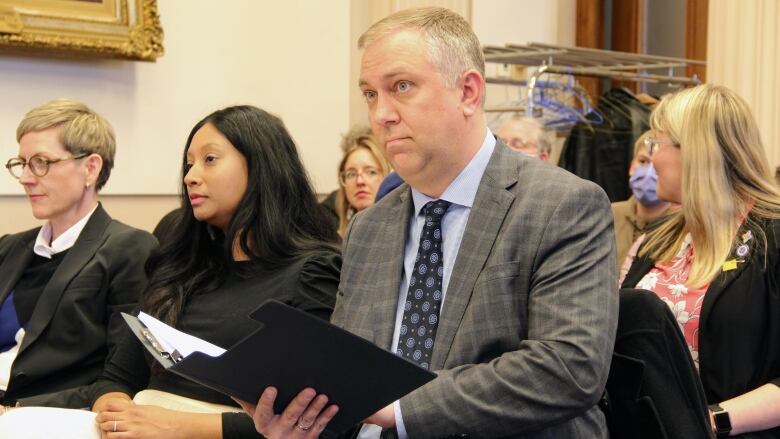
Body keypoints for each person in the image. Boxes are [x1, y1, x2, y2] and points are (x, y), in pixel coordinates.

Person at [240, 7, 618, 438]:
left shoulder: (562, 205)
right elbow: (347, 370)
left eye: (401, 87)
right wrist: (302, 422)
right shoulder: (369, 227)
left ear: (468, 92)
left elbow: (567, 369)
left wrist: (397, 408)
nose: (381, 114)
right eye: (369, 94)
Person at [0, 106, 341, 439]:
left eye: (210, 159)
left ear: (262, 165)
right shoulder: (182, 265)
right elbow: (116, 379)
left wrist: (176, 426)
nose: (190, 176)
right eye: (188, 164)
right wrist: (116, 411)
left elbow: (313, 416)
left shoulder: (313, 270)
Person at [621, 84, 780, 437]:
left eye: (657, 143)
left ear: (695, 152)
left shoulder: (773, 238)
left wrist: (710, 421)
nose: (652, 158)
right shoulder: (659, 237)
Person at [0, 99, 155, 412]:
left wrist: (14, 409)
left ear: (91, 168)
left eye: (41, 162)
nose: (26, 178)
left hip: (39, 416)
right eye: (22, 163)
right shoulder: (9, 248)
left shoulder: (129, 249)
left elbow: (121, 379)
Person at [611, 130, 671, 272]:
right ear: (632, 165)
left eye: (657, 165)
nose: (649, 172)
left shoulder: (681, 228)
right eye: (643, 161)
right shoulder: (607, 214)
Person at [335, 126, 391, 236]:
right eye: (351, 174)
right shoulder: (334, 240)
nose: (360, 181)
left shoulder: (399, 236)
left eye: (371, 172)